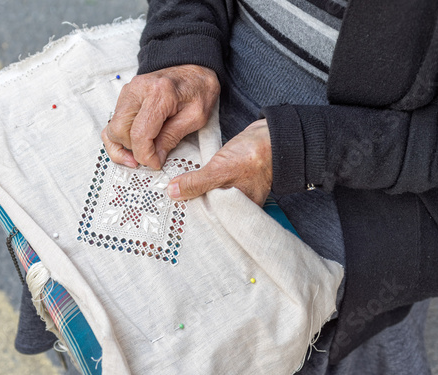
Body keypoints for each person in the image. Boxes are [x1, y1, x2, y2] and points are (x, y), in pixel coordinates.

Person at [102, 0, 438, 373]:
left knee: (193, 334)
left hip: (383, 164)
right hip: (215, 65)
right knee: (103, 294)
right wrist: (180, 46)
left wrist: (305, 146)